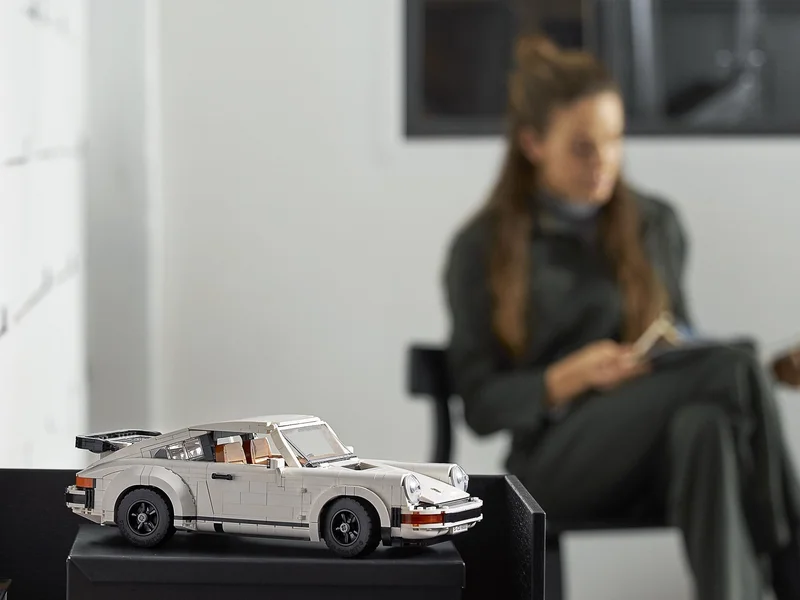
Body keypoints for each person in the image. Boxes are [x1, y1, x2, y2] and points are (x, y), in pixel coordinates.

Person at [443, 34, 800, 600]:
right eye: (583, 148)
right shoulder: (482, 248)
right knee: (734, 367)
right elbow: (482, 405)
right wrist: (568, 377)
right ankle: (791, 568)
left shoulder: (655, 223)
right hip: (557, 462)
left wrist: (692, 355)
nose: (603, 162)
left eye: (614, 140)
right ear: (533, 143)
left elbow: (682, 348)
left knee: (706, 425)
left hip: (657, 451)